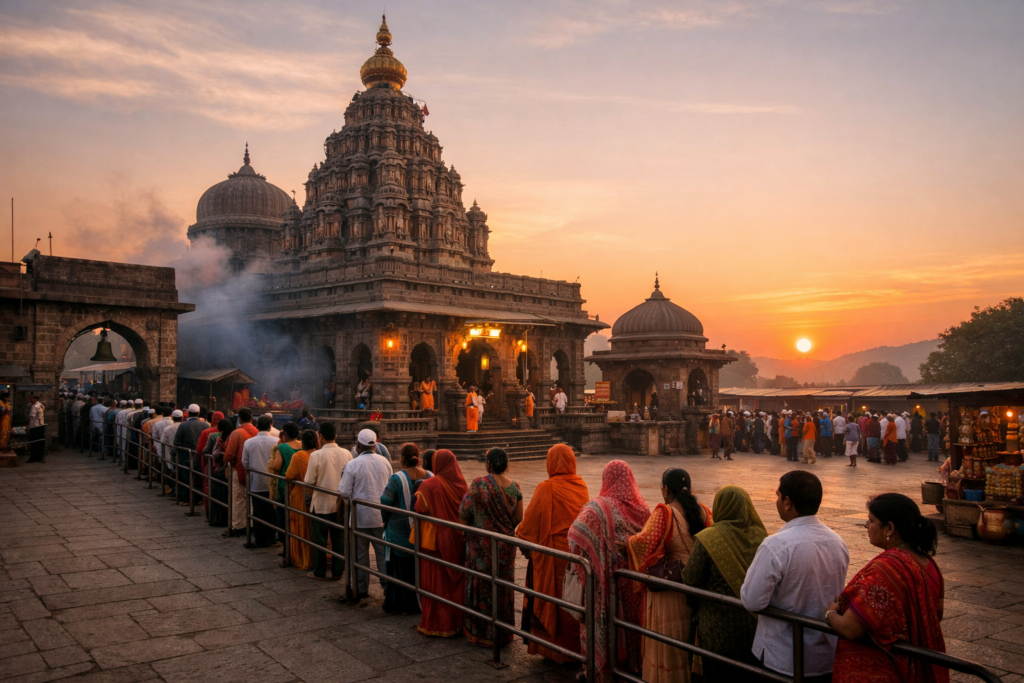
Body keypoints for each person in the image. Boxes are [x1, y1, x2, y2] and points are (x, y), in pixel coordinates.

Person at [826, 493, 946, 683]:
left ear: (889, 528)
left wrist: (830, 612)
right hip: (918, 666)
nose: (866, 525)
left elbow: (850, 629)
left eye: (871, 520)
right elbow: (936, 614)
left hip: (886, 670)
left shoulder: (885, 570)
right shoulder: (930, 564)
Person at [741, 472, 850, 683]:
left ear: (787, 502)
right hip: (825, 656)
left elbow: (751, 601)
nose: (776, 501)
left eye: (777, 496)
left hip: (784, 657)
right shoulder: (838, 542)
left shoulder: (776, 545)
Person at [568, 460, 651, 682]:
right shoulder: (642, 509)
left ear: (607, 478)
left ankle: (601, 671)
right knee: (632, 625)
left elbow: (576, 536)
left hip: (602, 582)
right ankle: (632, 668)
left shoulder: (597, 508)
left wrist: (595, 557)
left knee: (602, 623)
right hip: (633, 582)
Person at [626, 469, 710, 683]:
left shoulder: (665, 513)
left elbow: (643, 544)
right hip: (696, 587)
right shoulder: (704, 511)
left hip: (670, 591)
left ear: (665, 490)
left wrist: (626, 543)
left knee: (669, 641)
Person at [679, 486, 767, 683]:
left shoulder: (709, 538)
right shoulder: (762, 537)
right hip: (753, 627)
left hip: (717, 628)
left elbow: (690, 578)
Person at [515, 444, 590, 662]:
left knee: (553, 603)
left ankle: (553, 651)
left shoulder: (546, 488)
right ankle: (575, 650)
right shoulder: (581, 486)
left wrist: (528, 547)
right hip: (576, 556)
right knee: (573, 604)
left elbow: (526, 528)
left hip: (552, 556)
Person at [459, 447, 523, 647]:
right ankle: (502, 632)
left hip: (481, 545)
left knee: (481, 584)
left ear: (488, 464)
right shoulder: (515, 487)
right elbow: (519, 517)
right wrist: (503, 528)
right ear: (506, 465)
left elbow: (464, 511)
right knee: (502, 586)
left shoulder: (478, 484)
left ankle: (480, 632)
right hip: (505, 546)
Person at [414, 449, 468, 637]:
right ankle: (458, 621)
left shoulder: (429, 485)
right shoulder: (463, 485)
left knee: (436, 581)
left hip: (437, 541)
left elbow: (419, 507)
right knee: (456, 581)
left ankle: (437, 623)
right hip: (458, 539)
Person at [338, 428, 393, 603]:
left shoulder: (353, 464)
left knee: (360, 554)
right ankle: (387, 587)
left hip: (359, 516)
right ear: (375, 445)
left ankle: (361, 588)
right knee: (382, 554)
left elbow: (344, 491)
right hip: (381, 516)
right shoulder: (385, 462)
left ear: (358, 445)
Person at [381, 443, 432, 614]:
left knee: (401, 569)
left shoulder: (397, 478)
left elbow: (385, 501)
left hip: (399, 532)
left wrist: (385, 519)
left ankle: (402, 604)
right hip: (423, 531)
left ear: (402, 458)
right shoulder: (430, 476)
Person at [304, 422, 351, 580]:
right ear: (336, 436)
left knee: (320, 540)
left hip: (321, 504)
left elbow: (309, 481)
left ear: (321, 436)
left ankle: (319, 571)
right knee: (339, 538)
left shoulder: (316, 455)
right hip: (340, 504)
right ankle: (338, 570)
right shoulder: (347, 454)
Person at [241, 415, 279, 547]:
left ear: (257, 426)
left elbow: (244, 462)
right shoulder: (277, 441)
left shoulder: (249, 442)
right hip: (272, 482)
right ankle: (272, 536)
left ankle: (260, 539)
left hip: (256, 482)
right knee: (272, 510)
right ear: (270, 425)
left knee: (258, 511)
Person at [282, 430, 315, 571]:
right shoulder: (317, 454)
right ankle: (314, 557)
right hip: (314, 494)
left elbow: (289, 476)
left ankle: (301, 557)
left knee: (300, 526)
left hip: (300, 494)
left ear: (303, 442)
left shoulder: (298, 456)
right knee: (312, 528)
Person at [223, 408, 258, 536]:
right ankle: (251, 524)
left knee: (238, 499)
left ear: (240, 419)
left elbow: (229, 455)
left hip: (239, 469)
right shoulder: (257, 432)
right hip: (255, 471)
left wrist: (225, 460)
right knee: (251, 498)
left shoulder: (236, 433)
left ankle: (238, 526)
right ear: (252, 418)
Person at [269, 422, 302, 545]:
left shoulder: (282, 447)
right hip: (301, 484)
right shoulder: (304, 445)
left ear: (285, 434)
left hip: (286, 485)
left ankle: (285, 541)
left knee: (283, 514)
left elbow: (277, 466)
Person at [172, 404, 210, 505]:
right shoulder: (206, 425)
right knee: (199, 478)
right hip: (200, 457)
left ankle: (186, 498)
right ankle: (199, 498)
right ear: (198, 413)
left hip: (185, 457)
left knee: (186, 478)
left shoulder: (183, 425)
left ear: (188, 413)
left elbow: (176, 442)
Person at [206, 418, 234, 527]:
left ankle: (220, 518)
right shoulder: (233, 437)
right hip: (232, 468)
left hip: (221, 469)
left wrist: (222, 455)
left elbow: (214, 453)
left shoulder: (219, 438)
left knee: (220, 493)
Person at [26, 395, 46, 463]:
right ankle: (39, 457)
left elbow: (32, 417)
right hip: (40, 425)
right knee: (40, 443)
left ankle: (33, 457)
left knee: (33, 443)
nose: (29, 400)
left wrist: (29, 426)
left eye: (30, 398)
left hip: (35, 426)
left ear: (34, 399)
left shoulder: (35, 406)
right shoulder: (41, 405)